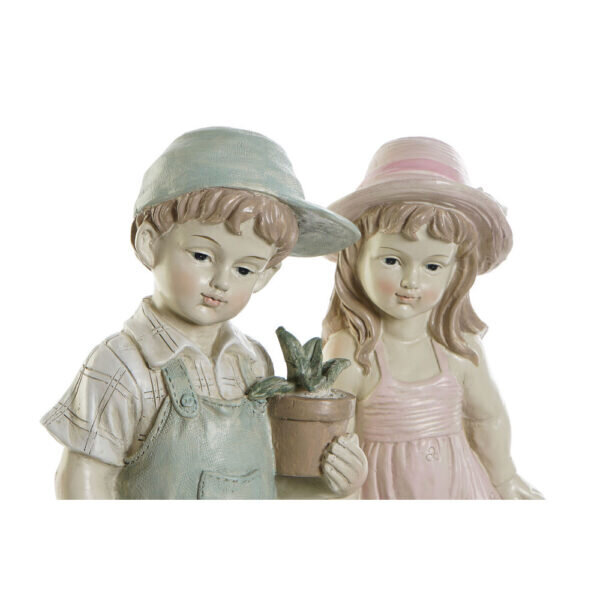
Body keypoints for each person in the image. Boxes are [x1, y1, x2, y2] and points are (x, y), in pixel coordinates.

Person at [42, 127, 367, 499]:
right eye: (201, 255)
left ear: (264, 277)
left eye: (244, 269)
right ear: (149, 244)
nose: (221, 281)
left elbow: (266, 482)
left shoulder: (252, 362)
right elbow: (85, 482)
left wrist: (330, 486)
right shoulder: (122, 365)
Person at [322, 137, 542, 499]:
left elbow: (487, 418)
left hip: (461, 488)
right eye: (392, 260)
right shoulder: (351, 351)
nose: (411, 281)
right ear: (355, 257)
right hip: (384, 489)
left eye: (433, 266)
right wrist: (343, 491)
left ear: (456, 271)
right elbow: (331, 437)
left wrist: (506, 479)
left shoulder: (459, 347)